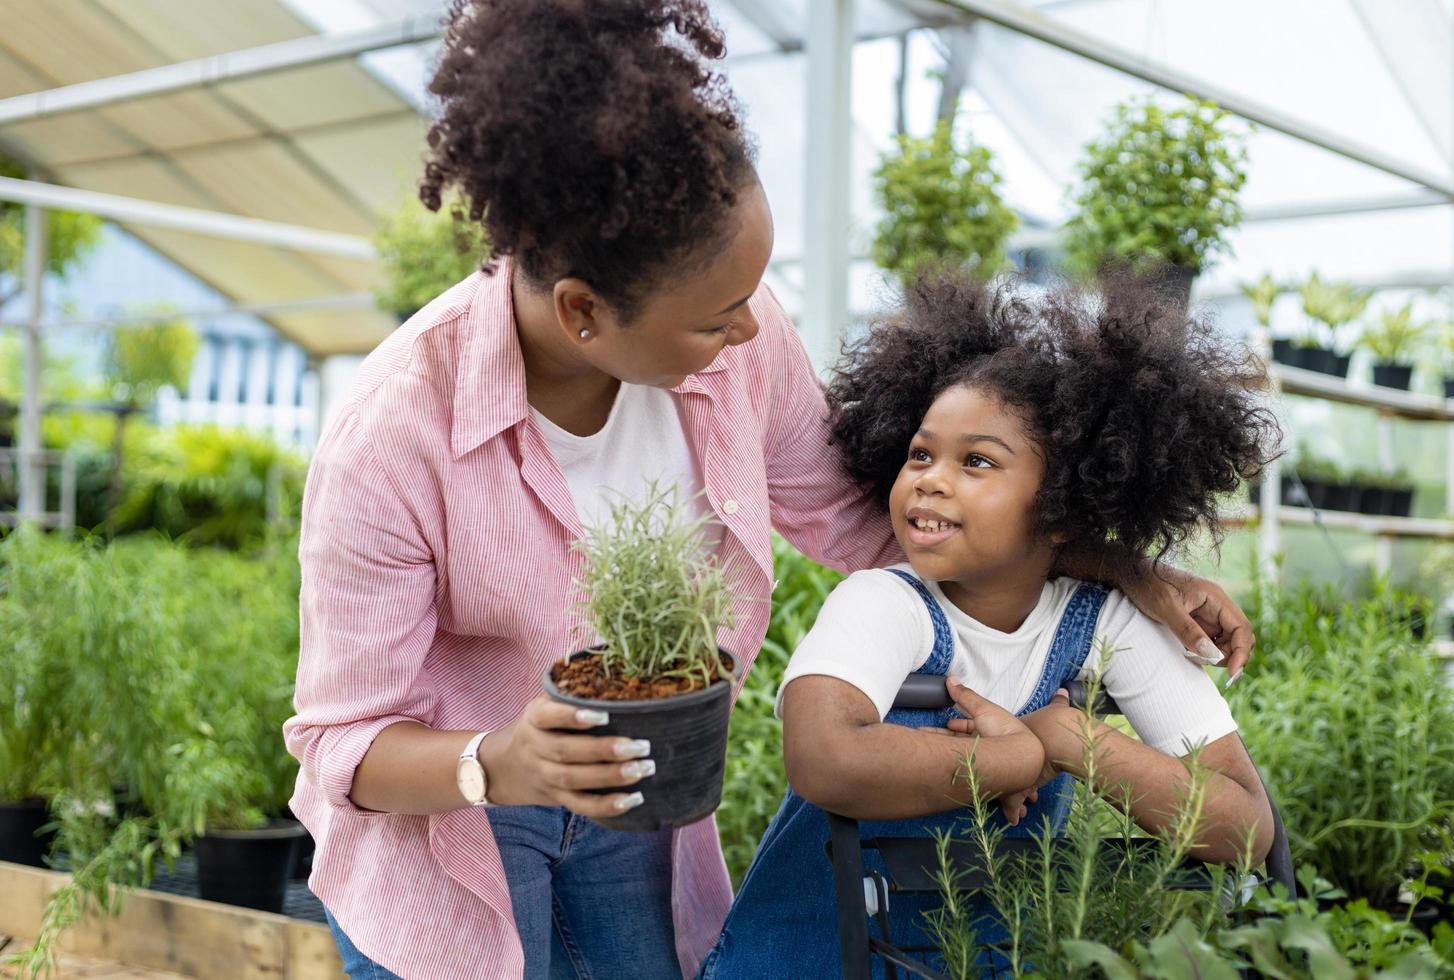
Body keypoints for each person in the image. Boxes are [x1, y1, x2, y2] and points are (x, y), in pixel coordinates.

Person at [282, 2, 1257, 977]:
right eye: (717, 316)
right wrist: (499, 760)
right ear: (584, 310)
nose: (752, 332)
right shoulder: (393, 439)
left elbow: (864, 515)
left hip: (634, 807)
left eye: (753, 294)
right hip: (452, 835)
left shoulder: (736, 350)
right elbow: (344, 740)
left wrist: (1121, 567)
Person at [699, 273, 1281, 978]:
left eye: (976, 461)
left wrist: (1074, 738)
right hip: (805, 960)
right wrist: (1019, 758)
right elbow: (824, 758)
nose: (931, 479)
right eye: (921, 453)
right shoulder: (884, 602)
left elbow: (1246, 829)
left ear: (1063, 508)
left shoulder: (1107, 622)